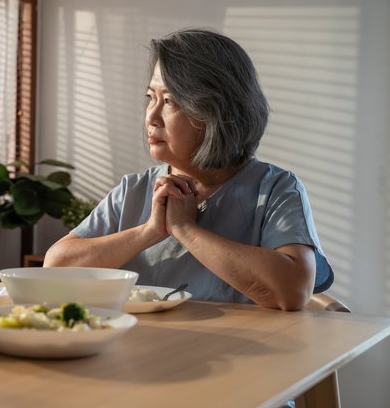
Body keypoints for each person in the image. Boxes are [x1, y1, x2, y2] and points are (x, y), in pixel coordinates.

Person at [43, 28, 334, 311]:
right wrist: (149, 232)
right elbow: (55, 267)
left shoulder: (275, 189)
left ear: (217, 112)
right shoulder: (133, 189)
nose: (151, 117)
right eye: (150, 98)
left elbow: (294, 291)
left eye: (169, 101)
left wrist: (185, 229)